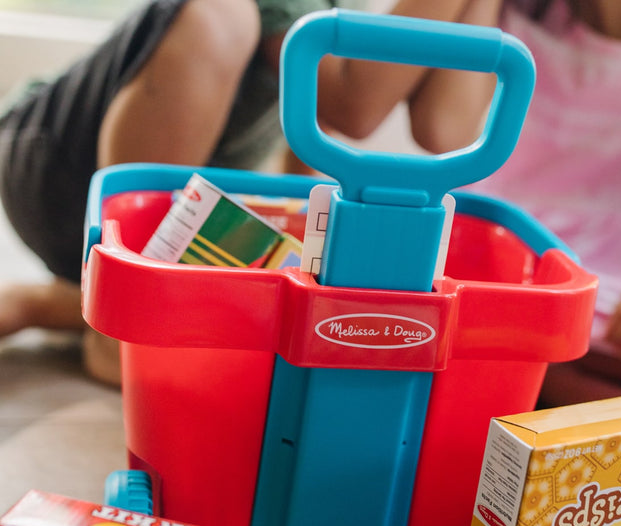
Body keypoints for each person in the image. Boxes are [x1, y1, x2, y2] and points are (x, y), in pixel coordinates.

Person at [0, 0, 500, 385]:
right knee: (222, 13)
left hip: (174, 205)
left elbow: (445, 129)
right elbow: (350, 105)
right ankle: (119, 323)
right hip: (55, 164)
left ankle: (61, 302)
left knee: (248, 299)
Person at [415, 0, 621, 411]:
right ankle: (572, 403)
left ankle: (514, 376)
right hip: (510, 239)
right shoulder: (513, 12)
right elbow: (443, 132)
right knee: (442, 289)